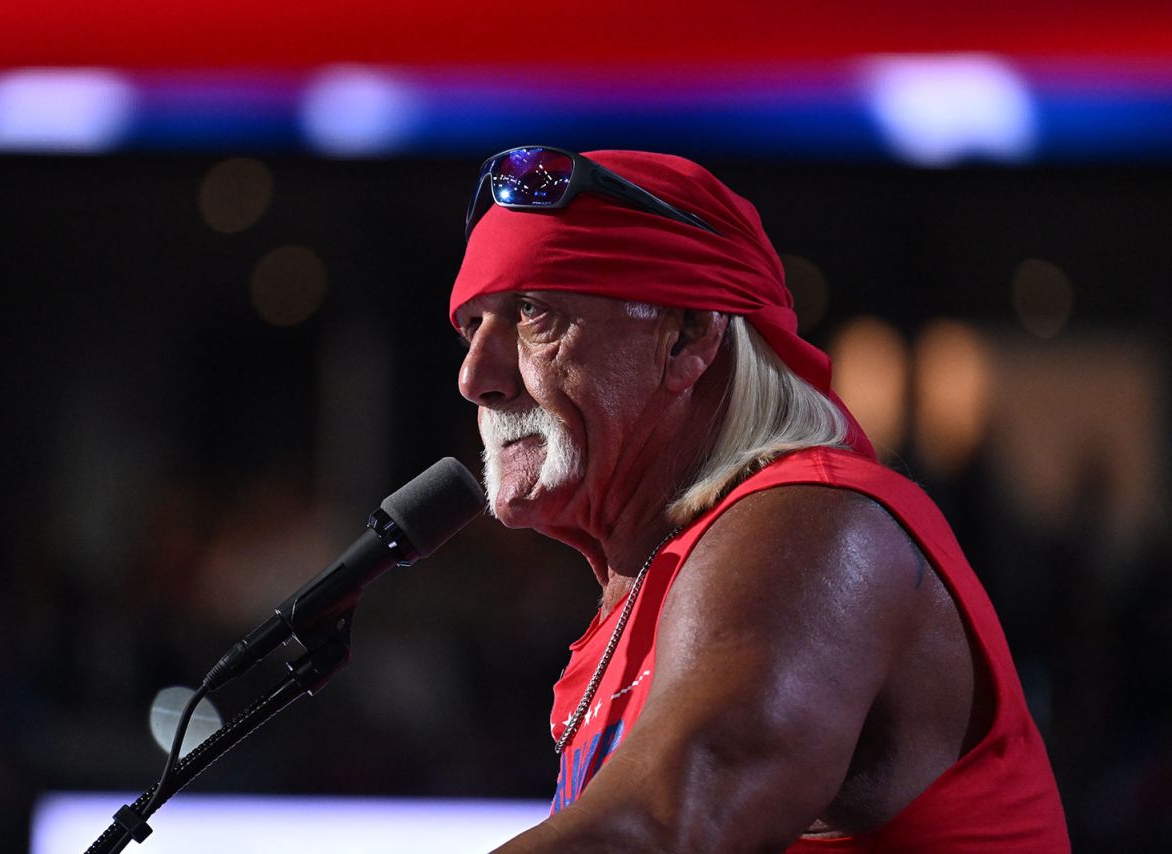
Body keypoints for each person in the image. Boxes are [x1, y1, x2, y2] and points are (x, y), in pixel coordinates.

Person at [449, 147, 1069, 852]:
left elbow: (668, 826)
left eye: (534, 314)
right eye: (472, 326)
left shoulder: (813, 524)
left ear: (686, 336)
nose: (475, 376)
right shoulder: (644, 592)